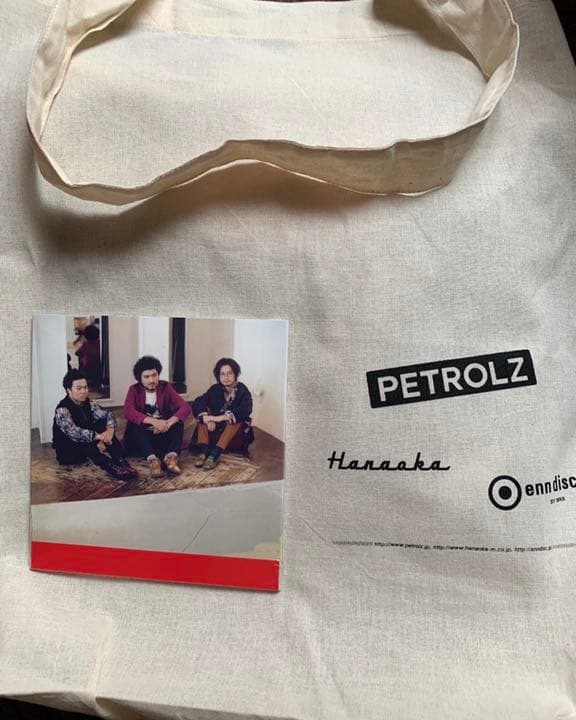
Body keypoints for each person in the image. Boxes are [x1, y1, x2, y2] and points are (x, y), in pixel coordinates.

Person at [52, 369, 137, 480]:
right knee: (84, 438)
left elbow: (107, 415)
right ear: (68, 390)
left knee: (102, 423)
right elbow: (74, 433)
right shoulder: (62, 409)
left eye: (85, 387)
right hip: (68, 454)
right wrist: (99, 436)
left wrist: (109, 431)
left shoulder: (88, 402)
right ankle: (110, 466)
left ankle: (120, 460)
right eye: (79, 388)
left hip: (86, 450)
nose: (84, 391)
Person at [123, 355, 191, 478]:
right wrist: (154, 421)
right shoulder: (134, 390)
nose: (151, 380)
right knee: (134, 424)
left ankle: (171, 458)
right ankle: (153, 461)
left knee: (178, 421)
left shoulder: (165, 387)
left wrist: (167, 423)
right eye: (146, 377)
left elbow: (185, 407)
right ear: (139, 378)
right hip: (143, 437)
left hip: (162, 433)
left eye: (154, 375)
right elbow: (128, 411)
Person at [191, 358, 255, 470]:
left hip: (234, 438)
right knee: (202, 414)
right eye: (222, 374)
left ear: (235, 375)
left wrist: (218, 418)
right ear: (218, 376)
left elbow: (245, 410)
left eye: (229, 373)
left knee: (236, 418)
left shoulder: (243, 391)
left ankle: (215, 454)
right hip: (215, 434)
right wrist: (207, 418)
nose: (226, 377)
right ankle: (205, 451)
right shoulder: (215, 389)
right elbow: (199, 401)